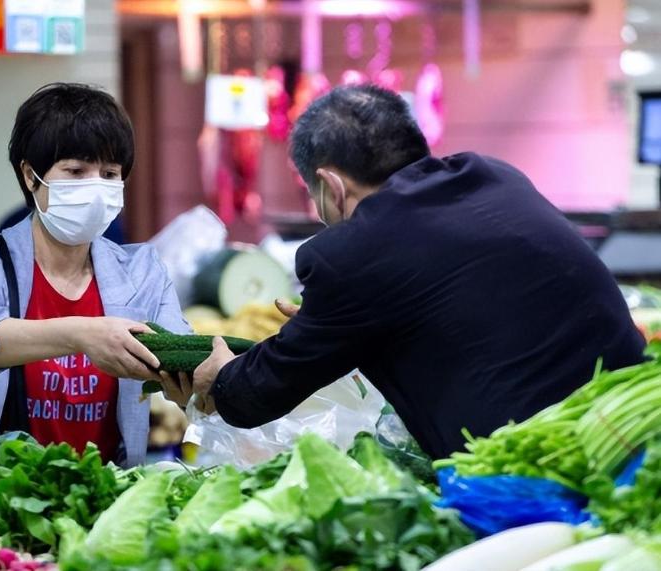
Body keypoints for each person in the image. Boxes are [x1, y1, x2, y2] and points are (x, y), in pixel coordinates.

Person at [162, 84, 646, 460]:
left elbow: (257, 394)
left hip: (535, 468)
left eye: (313, 194)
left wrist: (222, 377)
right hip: (635, 421)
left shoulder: (350, 253)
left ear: (331, 184)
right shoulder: (492, 174)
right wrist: (327, 327)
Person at [0, 83, 188, 465]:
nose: (96, 187)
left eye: (110, 173)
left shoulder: (141, 271)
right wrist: (82, 335)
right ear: (31, 176)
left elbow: (181, 353)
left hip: (102, 502)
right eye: (76, 170)